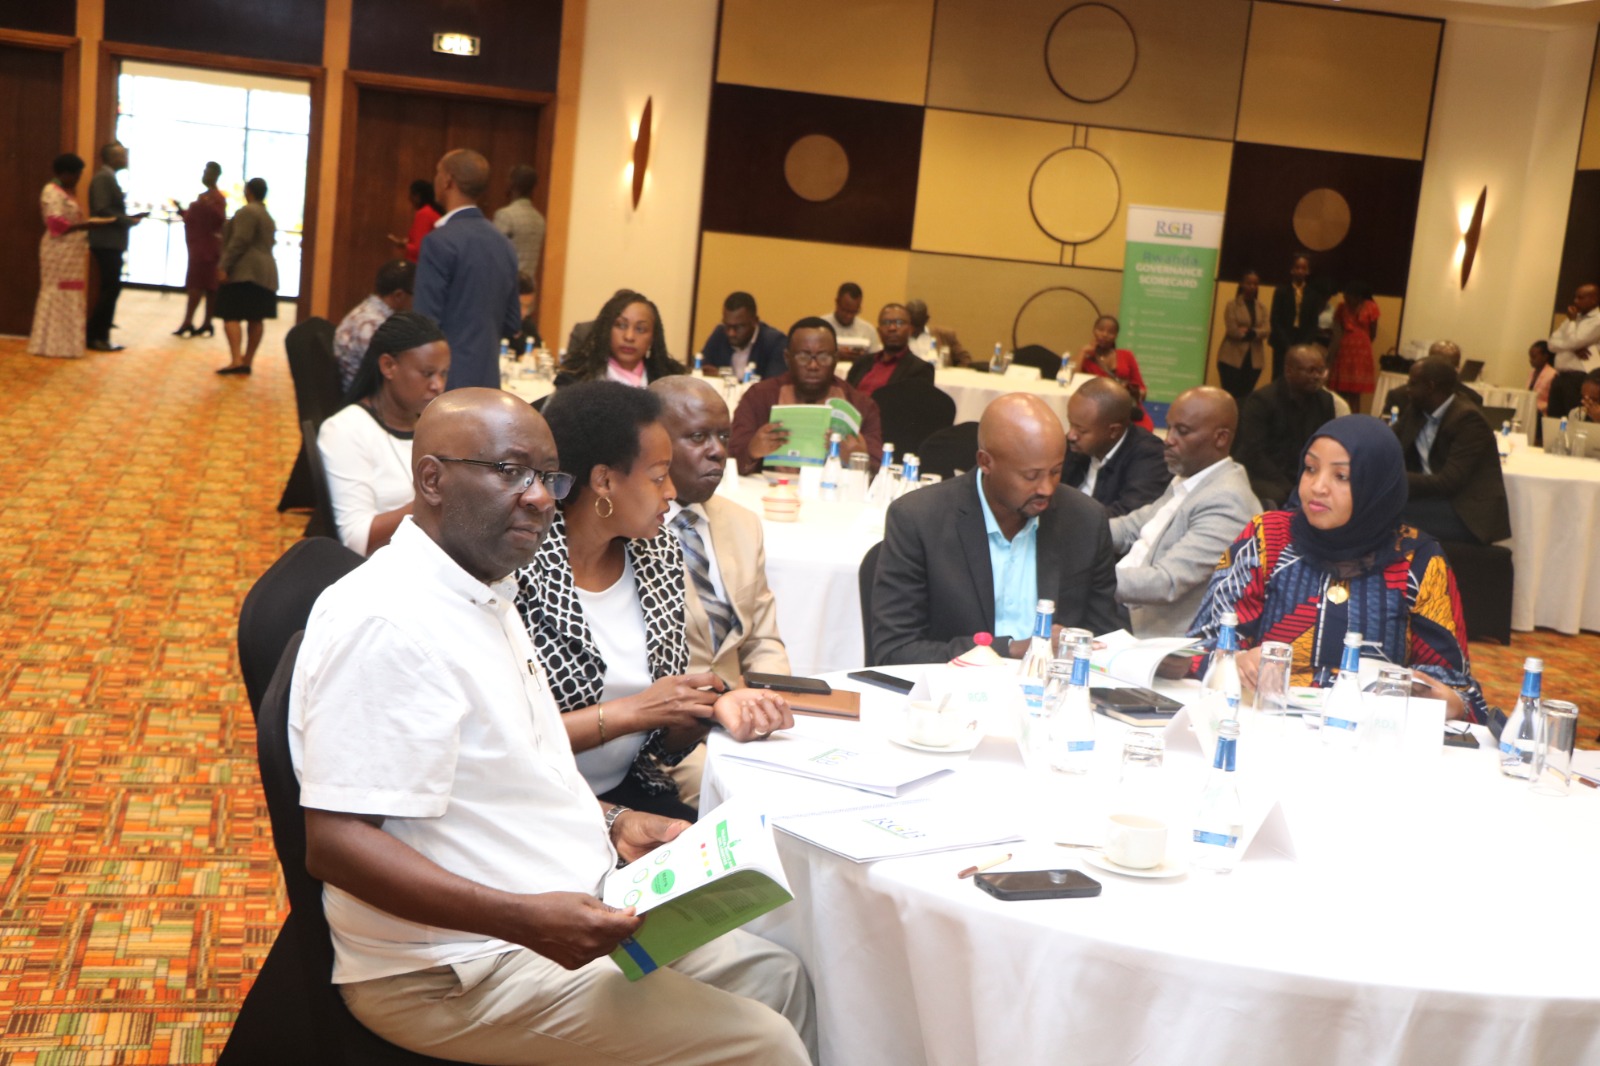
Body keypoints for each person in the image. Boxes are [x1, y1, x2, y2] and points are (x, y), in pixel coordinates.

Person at [291, 388, 816, 1065]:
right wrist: (526, 919)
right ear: (432, 480)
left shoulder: (484, 589)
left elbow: (512, 769)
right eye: (511, 472)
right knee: (764, 1045)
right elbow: (336, 843)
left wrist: (614, 822)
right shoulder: (388, 620)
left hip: (561, 904)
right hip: (455, 967)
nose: (540, 497)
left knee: (780, 977)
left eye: (547, 476)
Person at [513, 381, 793, 821]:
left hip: (632, 786)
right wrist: (635, 712)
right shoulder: (519, 567)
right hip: (533, 800)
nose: (670, 492)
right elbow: (505, 743)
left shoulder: (658, 552)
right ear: (604, 481)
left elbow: (662, 744)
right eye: (659, 476)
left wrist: (713, 708)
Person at [1188, 414, 1491, 724]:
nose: (1318, 487)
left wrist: (1437, 696)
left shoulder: (1418, 559)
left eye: (1341, 476)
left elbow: (1452, 684)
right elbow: (1201, 644)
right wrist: (1234, 660)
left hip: (1366, 734)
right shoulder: (1268, 537)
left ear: (1377, 484)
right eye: (1310, 469)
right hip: (1262, 722)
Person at [871, 393, 1125, 665]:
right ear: (985, 462)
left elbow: (1105, 640)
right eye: (1030, 476)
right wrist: (1012, 650)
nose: (1046, 488)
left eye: (1055, 471)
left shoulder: (1085, 520)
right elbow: (896, 651)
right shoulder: (919, 519)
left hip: (1051, 687)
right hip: (952, 687)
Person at [652, 376, 790, 681]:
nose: (718, 451)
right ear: (653, 443)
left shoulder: (743, 524)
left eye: (724, 437)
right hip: (663, 705)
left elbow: (762, 641)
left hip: (738, 704)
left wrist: (771, 696)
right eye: (698, 437)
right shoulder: (627, 530)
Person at [1110, 388, 1259, 638]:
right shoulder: (1192, 477)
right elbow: (1131, 527)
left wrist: (1093, 578)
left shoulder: (1227, 500)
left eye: (1182, 431)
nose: (1168, 439)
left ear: (1220, 438)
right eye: (1169, 428)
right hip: (1125, 603)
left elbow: (1166, 582)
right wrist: (1077, 531)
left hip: (1149, 629)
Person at [318, 311, 449, 555]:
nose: (438, 385)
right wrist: (436, 500)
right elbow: (357, 540)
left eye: (443, 373)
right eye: (427, 373)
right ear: (388, 366)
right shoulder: (345, 429)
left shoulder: (436, 425)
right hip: (384, 567)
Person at [414, 149, 522, 391]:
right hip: (489, 381)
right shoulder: (504, 244)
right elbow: (513, 322)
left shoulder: (438, 242)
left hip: (444, 382)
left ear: (447, 180)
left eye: (437, 172)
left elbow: (424, 324)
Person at [729, 318, 883, 476]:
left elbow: (879, 472)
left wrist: (858, 460)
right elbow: (730, 459)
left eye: (823, 357)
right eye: (803, 357)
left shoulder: (861, 405)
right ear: (787, 358)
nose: (813, 366)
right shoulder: (759, 396)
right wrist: (751, 451)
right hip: (770, 488)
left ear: (836, 359)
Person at [1394, 357, 1511, 546]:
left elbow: (1448, 483)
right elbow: (1389, 444)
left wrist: (1395, 477)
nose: (1407, 389)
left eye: (1413, 383)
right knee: (1376, 505)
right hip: (1433, 499)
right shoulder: (1417, 409)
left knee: (1388, 515)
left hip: (1466, 511)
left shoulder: (1468, 420)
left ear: (1430, 387)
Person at [29, 154, 111, 360]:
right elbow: (55, 224)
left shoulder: (66, 192)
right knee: (57, 291)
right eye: (77, 175)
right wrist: (86, 225)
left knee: (71, 292)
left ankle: (67, 344)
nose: (78, 179)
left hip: (72, 251)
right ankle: (50, 344)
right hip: (58, 250)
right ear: (65, 173)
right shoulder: (51, 191)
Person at [1232, 344, 1336, 507]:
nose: (1317, 377)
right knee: (1281, 496)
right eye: (1311, 371)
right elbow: (1253, 452)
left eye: (1321, 371)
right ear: (1289, 371)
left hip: (1302, 473)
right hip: (1261, 474)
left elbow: (1327, 445)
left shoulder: (1325, 401)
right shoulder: (1262, 400)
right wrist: (1289, 485)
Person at [1063, 377, 1169, 518]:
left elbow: (1126, 517)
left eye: (1081, 430)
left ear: (1113, 431)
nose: (1071, 435)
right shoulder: (1074, 445)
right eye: (1070, 424)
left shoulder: (1151, 457)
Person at [86, 142, 148, 352]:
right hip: (106, 242)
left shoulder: (109, 177)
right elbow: (102, 209)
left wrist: (128, 218)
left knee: (111, 289)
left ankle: (101, 335)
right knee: (110, 289)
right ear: (111, 158)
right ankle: (96, 336)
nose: (125, 158)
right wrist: (127, 220)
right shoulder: (103, 178)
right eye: (121, 155)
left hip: (111, 242)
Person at [215, 178, 278, 376]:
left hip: (245, 271)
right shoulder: (267, 215)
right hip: (265, 272)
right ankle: (247, 360)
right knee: (255, 317)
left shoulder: (248, 212)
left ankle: (236, 360)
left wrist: (224, 265)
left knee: (230, 313)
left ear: (248, 191)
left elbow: (240, 240)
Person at [563, 290, 685, 386]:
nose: (629, 337)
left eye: (640, 329)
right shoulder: (575, 377)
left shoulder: (669, 383)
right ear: (606, 330)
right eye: (621, 326)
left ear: (653, 337)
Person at [333, 259, 415, 391]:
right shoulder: (371, 324)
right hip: (364, 395)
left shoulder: (369, 312)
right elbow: (388, 373)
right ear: (399, 295)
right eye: (415, 294)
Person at [170, 161, 225, 338]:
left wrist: (203, 206)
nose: (204, 174)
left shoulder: (216, 198)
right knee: (199, 284)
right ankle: (197, 322)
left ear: (215, 175)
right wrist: (182, 210)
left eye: (207, 172)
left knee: (204, 285)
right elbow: (192, 218)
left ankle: (198, 321)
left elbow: (219, 220)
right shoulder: (205, 197)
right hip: (199, 247)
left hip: (207, 249)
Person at [1073, 315, 1153, 430]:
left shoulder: (1126, 355)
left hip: (1126, 407)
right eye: (1101, 329)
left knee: (1145, 428)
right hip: (1098, 409)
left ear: (1116, 335)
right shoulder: (1087, 358)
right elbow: (1074, 381)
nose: (1105, 334)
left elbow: (1142, 390)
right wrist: (1082, 352)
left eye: (1110, 332)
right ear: (1094, 331)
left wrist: (1132, 390)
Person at [846, 303, 935, 396]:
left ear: (910, 330)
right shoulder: (861, 362)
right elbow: (845, 395)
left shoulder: (920, 369)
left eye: (899, 323)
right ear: (879, 331)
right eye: (886, 323)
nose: (892, 328)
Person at [699, 291, 787, 380]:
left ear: (755, 321)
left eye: (738, 327)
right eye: (727, 325)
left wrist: (723, 378)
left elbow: (773, 385)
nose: (731, 333)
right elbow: (701, 369)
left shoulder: (775, 342)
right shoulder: (720, 333)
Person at [1268, 253, 1324, 381]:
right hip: (1282, 340)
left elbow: (1313, 324)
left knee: (1299, 376)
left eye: (1303, 268)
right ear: (1292, 270)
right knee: (1280, 376)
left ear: (1308, 271)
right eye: (1297, 267)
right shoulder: (1281, 291)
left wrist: (1304, 344)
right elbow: (1275, 319)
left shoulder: (1313, 294)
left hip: (1302, 339)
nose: (1300, 271)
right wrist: (1287, 344)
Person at [1215, 271, 1268, 402]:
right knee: (1230, 395)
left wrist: (1251, 332)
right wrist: (1255, 333)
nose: (1252, 287)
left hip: (1254, 359)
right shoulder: (1232, 305)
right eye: (1249, 283)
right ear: (1242, 284)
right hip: (1231, 357)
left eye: (1255, 284)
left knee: (1245, 397)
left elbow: (1267, 330)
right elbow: (1233, 330)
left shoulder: (1261, 307)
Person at [1327, 280, 1379, 410]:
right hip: (1345, 349)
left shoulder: (1371, 307)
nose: (1346, 299)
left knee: (1355, 392)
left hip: (1362, 351)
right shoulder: (1341, 307)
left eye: (1348, 296)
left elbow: (1373, 333)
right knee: (1341, 389)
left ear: (1359, 296)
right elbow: (1338, 329)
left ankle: (1355, 418)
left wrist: (1362, 342)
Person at [493, 164, 546, 278]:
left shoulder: (505, 215)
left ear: (512, 184)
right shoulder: (539, 219)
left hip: (507, 283)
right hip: (529, 284)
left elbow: (494, 254)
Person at [1547, 282, 1600, 372]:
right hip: (1560, 372)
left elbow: (1573, 342)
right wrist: (1574, 349)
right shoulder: (1574, 316)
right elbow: (1551, 344)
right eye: (1575, 297)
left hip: (1581, 373)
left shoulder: (1597, 321)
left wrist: (1572, 321)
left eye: (1580, 298)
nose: (1575, 301)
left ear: (1594, 300)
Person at [386, 179, 441, 263]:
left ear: (418, 196)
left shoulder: (424, 214)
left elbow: (418, 249)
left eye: (411, 195)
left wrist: (404, 245)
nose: (409, 198)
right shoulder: (431, 212)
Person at [822, 282, 881, 359]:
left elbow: (876, 361)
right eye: (845, 310)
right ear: (837, 302)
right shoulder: (822, 327)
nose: (848, 316)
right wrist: (835, 355)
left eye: (854, 312)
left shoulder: (869, 331)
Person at [905, 298, 971, 366]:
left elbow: (965, 359)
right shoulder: (900, 338)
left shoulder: (945, 335)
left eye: (918, 325)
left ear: (926, 319)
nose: (914, 329)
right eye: (911, 324)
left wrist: (954, 372)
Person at [1528, 340, 1557, 415]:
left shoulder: (1553, 374)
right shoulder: (1532, 373)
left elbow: (1553, 401)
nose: (1531, 360)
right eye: (1530, 357)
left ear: (1545, 356)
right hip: (1530, 411)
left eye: (1534, 357)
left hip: (1544, 414)